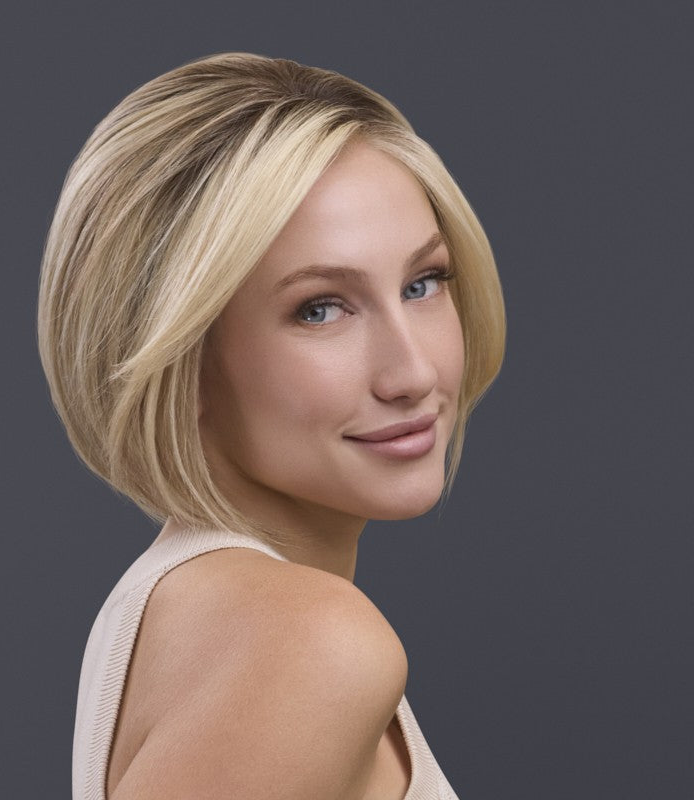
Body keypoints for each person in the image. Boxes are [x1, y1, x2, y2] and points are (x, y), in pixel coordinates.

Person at [37, 51, 505, 800]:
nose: (413, 372)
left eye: (423, 283)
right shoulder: (307, 644)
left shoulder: (186, 607)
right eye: (319, 308)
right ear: (179, 356)